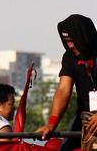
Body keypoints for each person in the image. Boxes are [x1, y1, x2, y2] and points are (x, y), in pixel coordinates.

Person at [36, 14, 97, 151]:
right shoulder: (69, 57)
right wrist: (51, 124)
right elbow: (63, 90)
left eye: (72, 40)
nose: (70, 45)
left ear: (83, 37)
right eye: (66, 41)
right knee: (65, 148)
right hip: (86, 116)